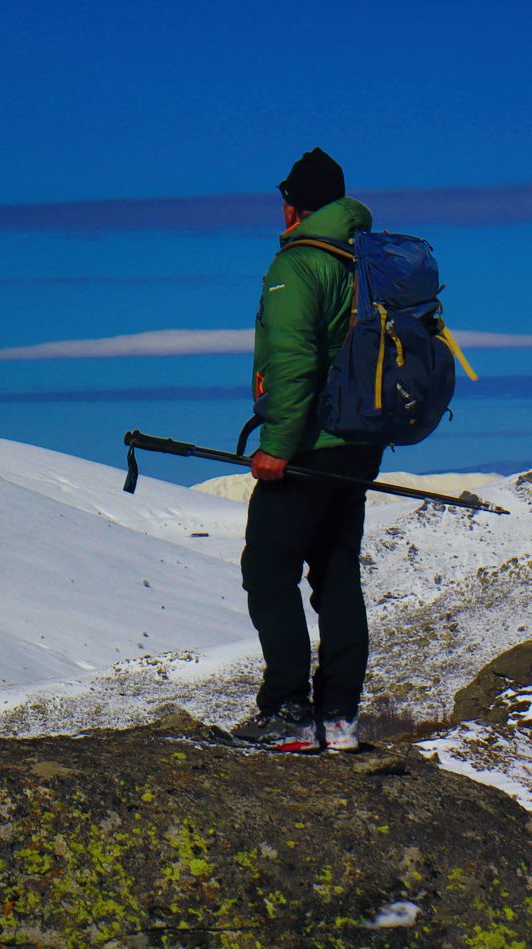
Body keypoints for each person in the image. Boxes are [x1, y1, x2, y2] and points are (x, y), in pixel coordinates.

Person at [230, 147, 385, 753]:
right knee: (337, 572)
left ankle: (289, 712)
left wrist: (276, 447)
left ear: (293, 202)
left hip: (309, 446)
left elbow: (293, 364)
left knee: (268, 569)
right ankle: (340, 719)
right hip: (361, 445)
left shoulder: (298, 264)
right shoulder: (365, 260)